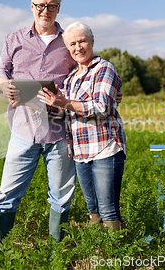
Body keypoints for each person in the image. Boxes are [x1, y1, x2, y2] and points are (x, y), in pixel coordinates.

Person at [0, 0, 78, 255]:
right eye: (40, 5)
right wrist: (4, 85)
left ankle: (55, 256)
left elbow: (85, 74)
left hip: (59, 132)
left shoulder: (69, 41)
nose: (45, 10)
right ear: (32, 6)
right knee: (6, 195)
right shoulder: (14, 39)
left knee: (61, 198)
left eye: (51, 6)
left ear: (58, 8)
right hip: (23, 129)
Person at [38, 21, 126, 231]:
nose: (78, 47)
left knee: (108, 211)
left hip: (105, 147)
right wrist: (40, 102)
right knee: (93, 209)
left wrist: (63, 102)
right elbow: (63, 111)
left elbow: (101, 107)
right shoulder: (69, 79)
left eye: (82, 41)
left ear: (92, 42)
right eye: (72, 44)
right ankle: (98, 252)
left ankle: (116, 253)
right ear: (68, 49)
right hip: (80, 151)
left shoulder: (104, 68)